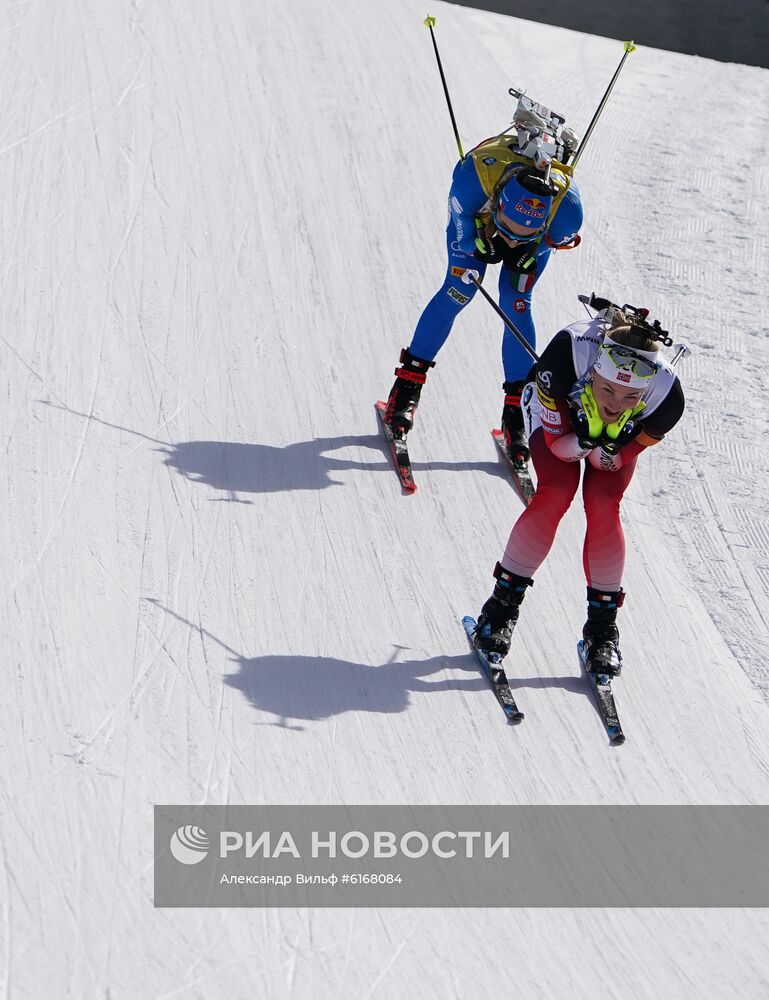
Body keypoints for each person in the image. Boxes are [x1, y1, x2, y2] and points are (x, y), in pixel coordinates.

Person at [472, 299, 686, 675]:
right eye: (607, 390)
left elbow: (618, 460)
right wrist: (584, 441)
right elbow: (558, 448)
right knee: (556, 492)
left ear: (645, 392)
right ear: (594, 374)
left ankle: (602, 630)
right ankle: (500, 609)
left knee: (604, 503)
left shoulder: (667, 399)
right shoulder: (566, 355)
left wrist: (606, 450)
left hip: (612, 439)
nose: (616, 405)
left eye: (630, 397)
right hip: (555, 408)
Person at [382, 131, 583, 465]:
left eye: (524, 234)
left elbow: (552, 240)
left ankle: (515, 411)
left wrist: (534, 247)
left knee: (516, 305)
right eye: (511, 231)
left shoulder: (568, 211)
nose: (514, 242)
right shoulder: (474, 177)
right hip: (477, 222)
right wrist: (478, 241)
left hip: (534, 238)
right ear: (501, 202)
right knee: (459, 290)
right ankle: (406, 388)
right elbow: (461, 219)